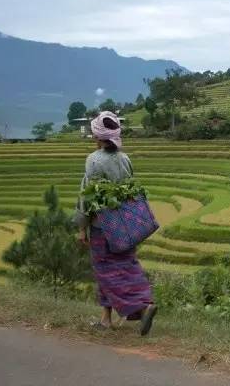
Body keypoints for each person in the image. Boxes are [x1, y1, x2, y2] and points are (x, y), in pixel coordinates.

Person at [75, 111, 157, 335]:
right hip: (125, 226)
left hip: (103, 226)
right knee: (126, 265)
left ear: (97, 136)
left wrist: (82, 228)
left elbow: (87, 196)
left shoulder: (94, 160)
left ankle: (143, 306)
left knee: (106, 271)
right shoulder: (124, 158)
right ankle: (106, 319)